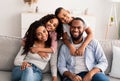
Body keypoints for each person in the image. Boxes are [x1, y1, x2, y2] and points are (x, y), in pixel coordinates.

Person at [26, 14, 63, 81]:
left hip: (38, 70)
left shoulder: (53, 35)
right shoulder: (35, 30)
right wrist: (38, 51)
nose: (51, 25)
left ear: (55, 29)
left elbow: (53, 50)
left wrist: (54, 77)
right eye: (51, 21)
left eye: (54, 25)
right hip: (26, 67)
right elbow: (24, 41)